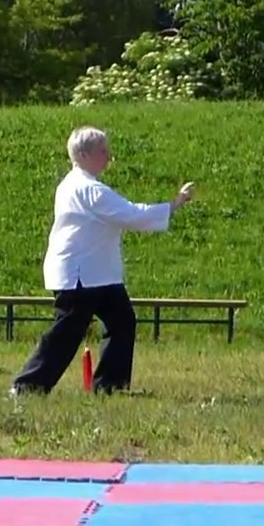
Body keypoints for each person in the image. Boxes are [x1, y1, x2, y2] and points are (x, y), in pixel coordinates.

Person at [11, 126, 196, 396]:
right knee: (67, 333)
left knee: (122, 322)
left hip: (98, 275)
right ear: (85, 154)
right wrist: (174, 204)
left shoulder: (75, 185)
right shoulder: (88, 189)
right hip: (80, 276)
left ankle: (110, 387)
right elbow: (131, 215)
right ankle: (27, 386)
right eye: (103, 151)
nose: (108, 156)